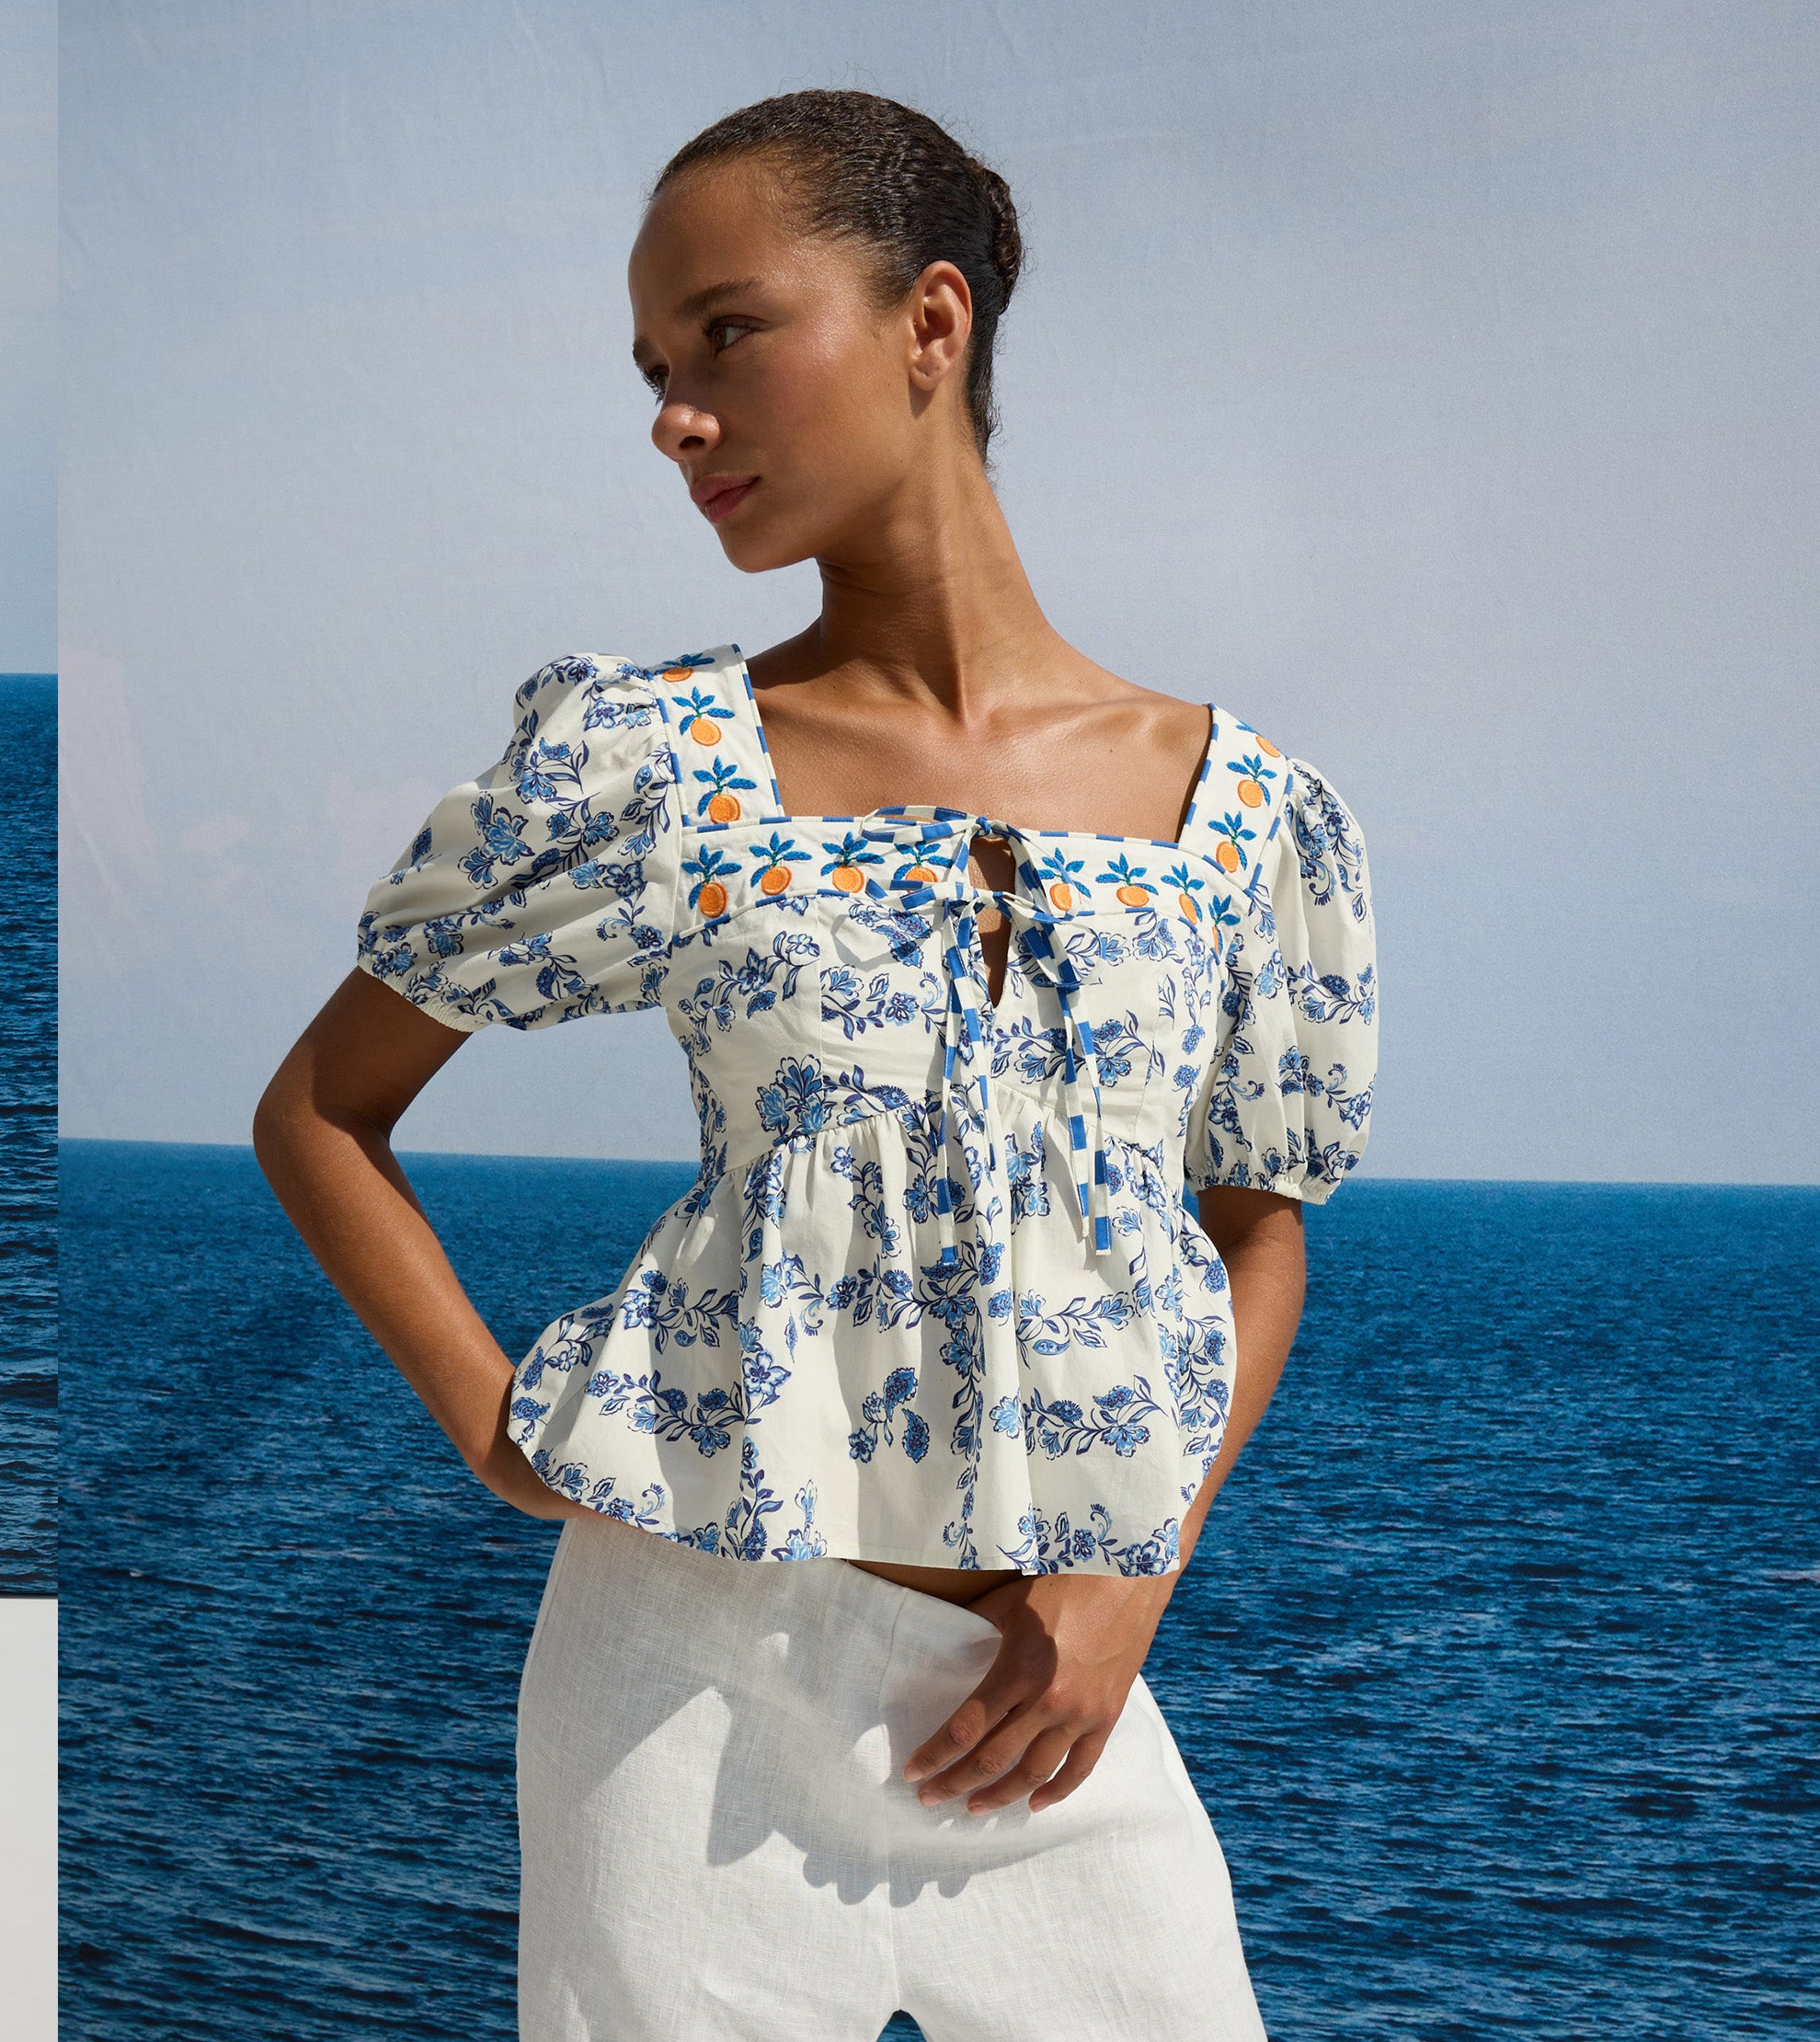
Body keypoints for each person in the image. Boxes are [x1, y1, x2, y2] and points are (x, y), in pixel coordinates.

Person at [249, 88, 1377, 2040]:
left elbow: (1254, 1233)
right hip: (681, 1694)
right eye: (655, 370)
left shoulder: (1251, 821)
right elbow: (322, 1111)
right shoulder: (653, 768)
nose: (676, 415)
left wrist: (1132, 1585)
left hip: (1057, 1689)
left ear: (931, 326)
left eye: (728, 335)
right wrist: (490, 1421)